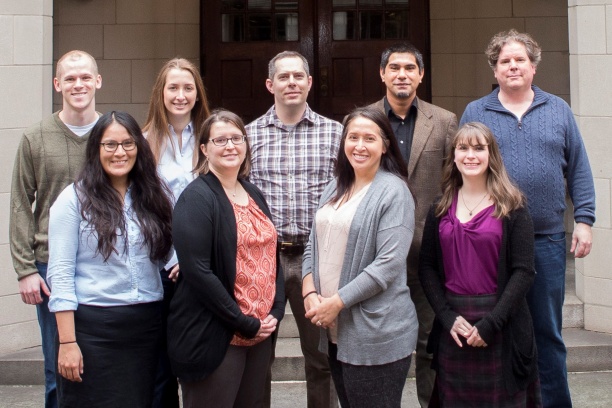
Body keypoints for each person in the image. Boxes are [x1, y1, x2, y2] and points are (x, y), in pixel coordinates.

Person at [460, 29, 596, 408]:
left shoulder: (558, 110)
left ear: (533, 67)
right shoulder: (476, 113)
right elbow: (462, 171)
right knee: (496, 329)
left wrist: (584, 220)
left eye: (520, 60)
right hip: (492, 242)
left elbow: (579, 170)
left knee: (547, 332)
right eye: (505, 61)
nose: (513, 66)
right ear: (495, 69)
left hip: (546, 241)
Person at [46, 111, 174, 407]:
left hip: (145, 328)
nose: (120, 152)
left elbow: (168, 252)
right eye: (110, 144)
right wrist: (67, 342)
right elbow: (60, 274)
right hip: (93, 330)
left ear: (139, 147)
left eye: (128, 143)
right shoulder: (73, 199)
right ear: (96, 149)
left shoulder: (156, 195)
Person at [301, 106, 418, 408]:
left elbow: (388, 264)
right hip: (335, 329)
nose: (360, 146)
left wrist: (336, 303)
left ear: (385, 145)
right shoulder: (335, 186)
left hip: (375, 332)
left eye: (369, 138)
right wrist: (309, 291)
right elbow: (313, 244)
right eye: (353, 137)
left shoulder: (394, 192)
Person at [167, 109, 285, 408]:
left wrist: (277, 308)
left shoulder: (253, 192)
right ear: (204, 149)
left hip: (259, 332)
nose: (230, 146)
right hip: (219, 334)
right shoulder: (196, 198)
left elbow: (271, 254)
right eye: (220, 140)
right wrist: (241, 321)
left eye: (236, 138)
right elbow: (197, 272)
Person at [419, 122, 541, 407]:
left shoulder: (513, 206)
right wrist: (447, 316)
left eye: (478, 148)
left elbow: (524, 272)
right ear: (454, 155)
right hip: (455, 324)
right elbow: (426, 267)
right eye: (463, 148)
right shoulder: (439, 207)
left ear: (491, 154)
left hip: (501, 321)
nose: (470, 155)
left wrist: (491, 324)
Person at [246, 50, 343, 408]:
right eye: (283, 77)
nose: (291, 83)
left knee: (320, 357)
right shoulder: (248, 136)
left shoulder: (335, 134)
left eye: (298, 76)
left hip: (314, 258)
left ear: (309, 82)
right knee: (258, 356)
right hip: (263, 259)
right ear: (270, 84)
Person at [366, 42, 458, 407]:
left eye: (409, 68)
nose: (401, 74)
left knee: (429, 340)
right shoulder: (364, 120)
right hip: (376, 253)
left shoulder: (445, 121)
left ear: (421, 75)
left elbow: (453, 184)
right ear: (382, 74)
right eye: (394, 68)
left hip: (428, 252)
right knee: (378, 340)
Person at [9, 50, 102, 408]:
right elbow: (21, 203)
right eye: (70, 78)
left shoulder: (114, 133)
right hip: (50, 266)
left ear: (98, 81)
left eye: (85, 77)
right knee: (57, 367)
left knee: (103, 363)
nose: (78, 85)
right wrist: (25, 269)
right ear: (57, 84)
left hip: (104, 263)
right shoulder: (35, 138)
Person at [142, 57, 211, 408]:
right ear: (161, 92)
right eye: (173, 88)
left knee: (197, 356)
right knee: (160, 364)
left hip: (203, 265)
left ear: (198, 94)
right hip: (159, 265)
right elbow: (139, 208)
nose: (180, 95)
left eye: (188, 88)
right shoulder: (144, 142)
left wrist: (193, 257)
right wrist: (171, 256)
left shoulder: (211, 139)